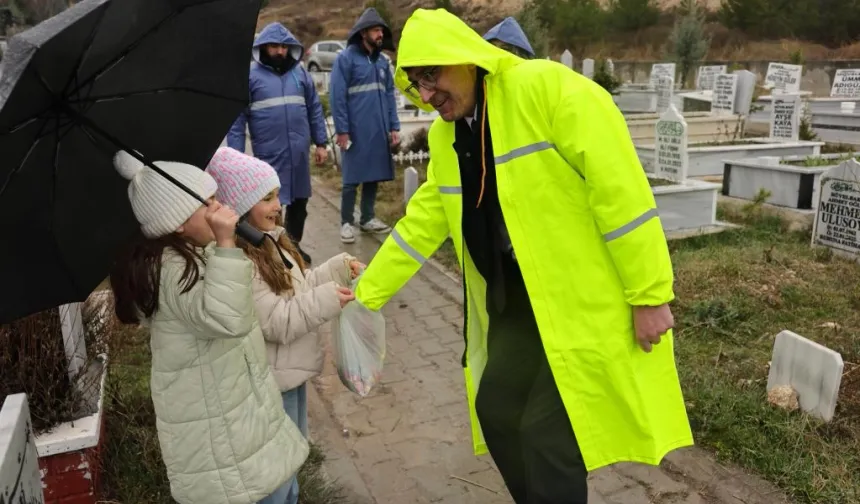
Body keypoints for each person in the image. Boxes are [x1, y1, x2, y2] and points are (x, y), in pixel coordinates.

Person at [352, 9, 694, 504]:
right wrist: (366, 294)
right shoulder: (449, 138)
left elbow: (623, 200)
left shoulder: (549, 92)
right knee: (495, 407)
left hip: (580, 304)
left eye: (433, 76)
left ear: (467, 60)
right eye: (415, 82)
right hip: (516, 306)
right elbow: (421, 226)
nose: (425, 94)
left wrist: (650, 295)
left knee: (545, 431)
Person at [108, 151, 308, 504]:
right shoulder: (171, 270)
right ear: (178, 221)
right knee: (255, 490)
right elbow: (227, 318)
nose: (221, 209)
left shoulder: (193, 254)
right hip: (216, 425)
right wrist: (228, 245)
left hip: (231, 403)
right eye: (209, 202)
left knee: (272, 482)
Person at [205, 146, 363, 504]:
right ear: (240, 210)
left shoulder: (273, 242)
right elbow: (278, 321)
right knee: (275, 472)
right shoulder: (241, 264)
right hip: (271, 386)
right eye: (266, 198)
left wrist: (336, 268)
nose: (278, 205)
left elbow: (301, 289)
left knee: (292, 460)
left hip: (291, 376)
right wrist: (328, 299)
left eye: (277, 195)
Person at [227, 22, 328, 265]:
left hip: (299, 155)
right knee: (272, 207)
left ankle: (294, 248)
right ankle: (275, 251)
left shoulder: (300, 73)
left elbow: (314, 109)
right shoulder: (250, 77)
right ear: (263, 47)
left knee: (300, 204)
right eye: (274, 46)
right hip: (269, 157)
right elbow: (237, 120)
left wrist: (321, 143)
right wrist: (235, 157)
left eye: (284, 46)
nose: (280, 51)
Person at [329, 8, 401, 244]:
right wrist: (342, 129)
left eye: (381, 30)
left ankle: (368, 217)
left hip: (378, 128)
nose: (380, 34)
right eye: (376, 30)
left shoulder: (382, 61)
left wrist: (393, 126)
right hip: (355, 130)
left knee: (373, 174)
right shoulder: (345, 59)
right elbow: (337, 95)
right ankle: (346, 222)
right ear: (363, 33)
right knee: (351, 178)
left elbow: (390, 95)